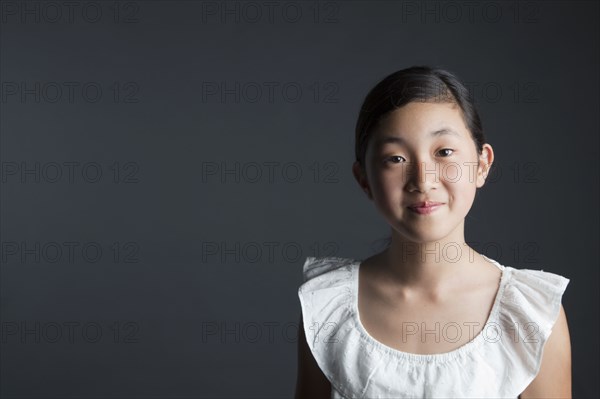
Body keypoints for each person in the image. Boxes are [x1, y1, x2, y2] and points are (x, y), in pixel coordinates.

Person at [294, 66, 571, 398]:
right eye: (395, 158)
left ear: (482, 164)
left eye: (444, 152)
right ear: (364, 179)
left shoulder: (531, 317)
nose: (423, 180)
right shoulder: (327, 309)